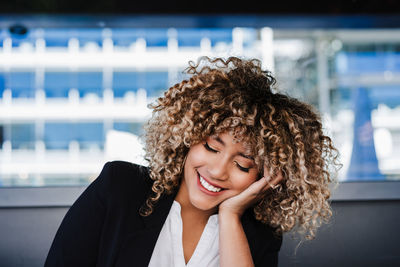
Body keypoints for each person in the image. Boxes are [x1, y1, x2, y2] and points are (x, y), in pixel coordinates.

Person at [44, 56, 339, 267]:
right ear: (189, 136)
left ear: (266, 175)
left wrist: (230, 216)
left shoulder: (258, 235)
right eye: (212, 146)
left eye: (243, 164)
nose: (217, 170)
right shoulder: (120, 188)